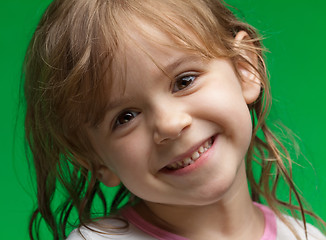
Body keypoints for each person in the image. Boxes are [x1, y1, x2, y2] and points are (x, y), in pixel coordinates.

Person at [23, 0, 326, 239]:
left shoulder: (305, 236)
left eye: (184, 81)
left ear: (244, 68)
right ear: (95, 160)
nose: (169, 124)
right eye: (125, 117)